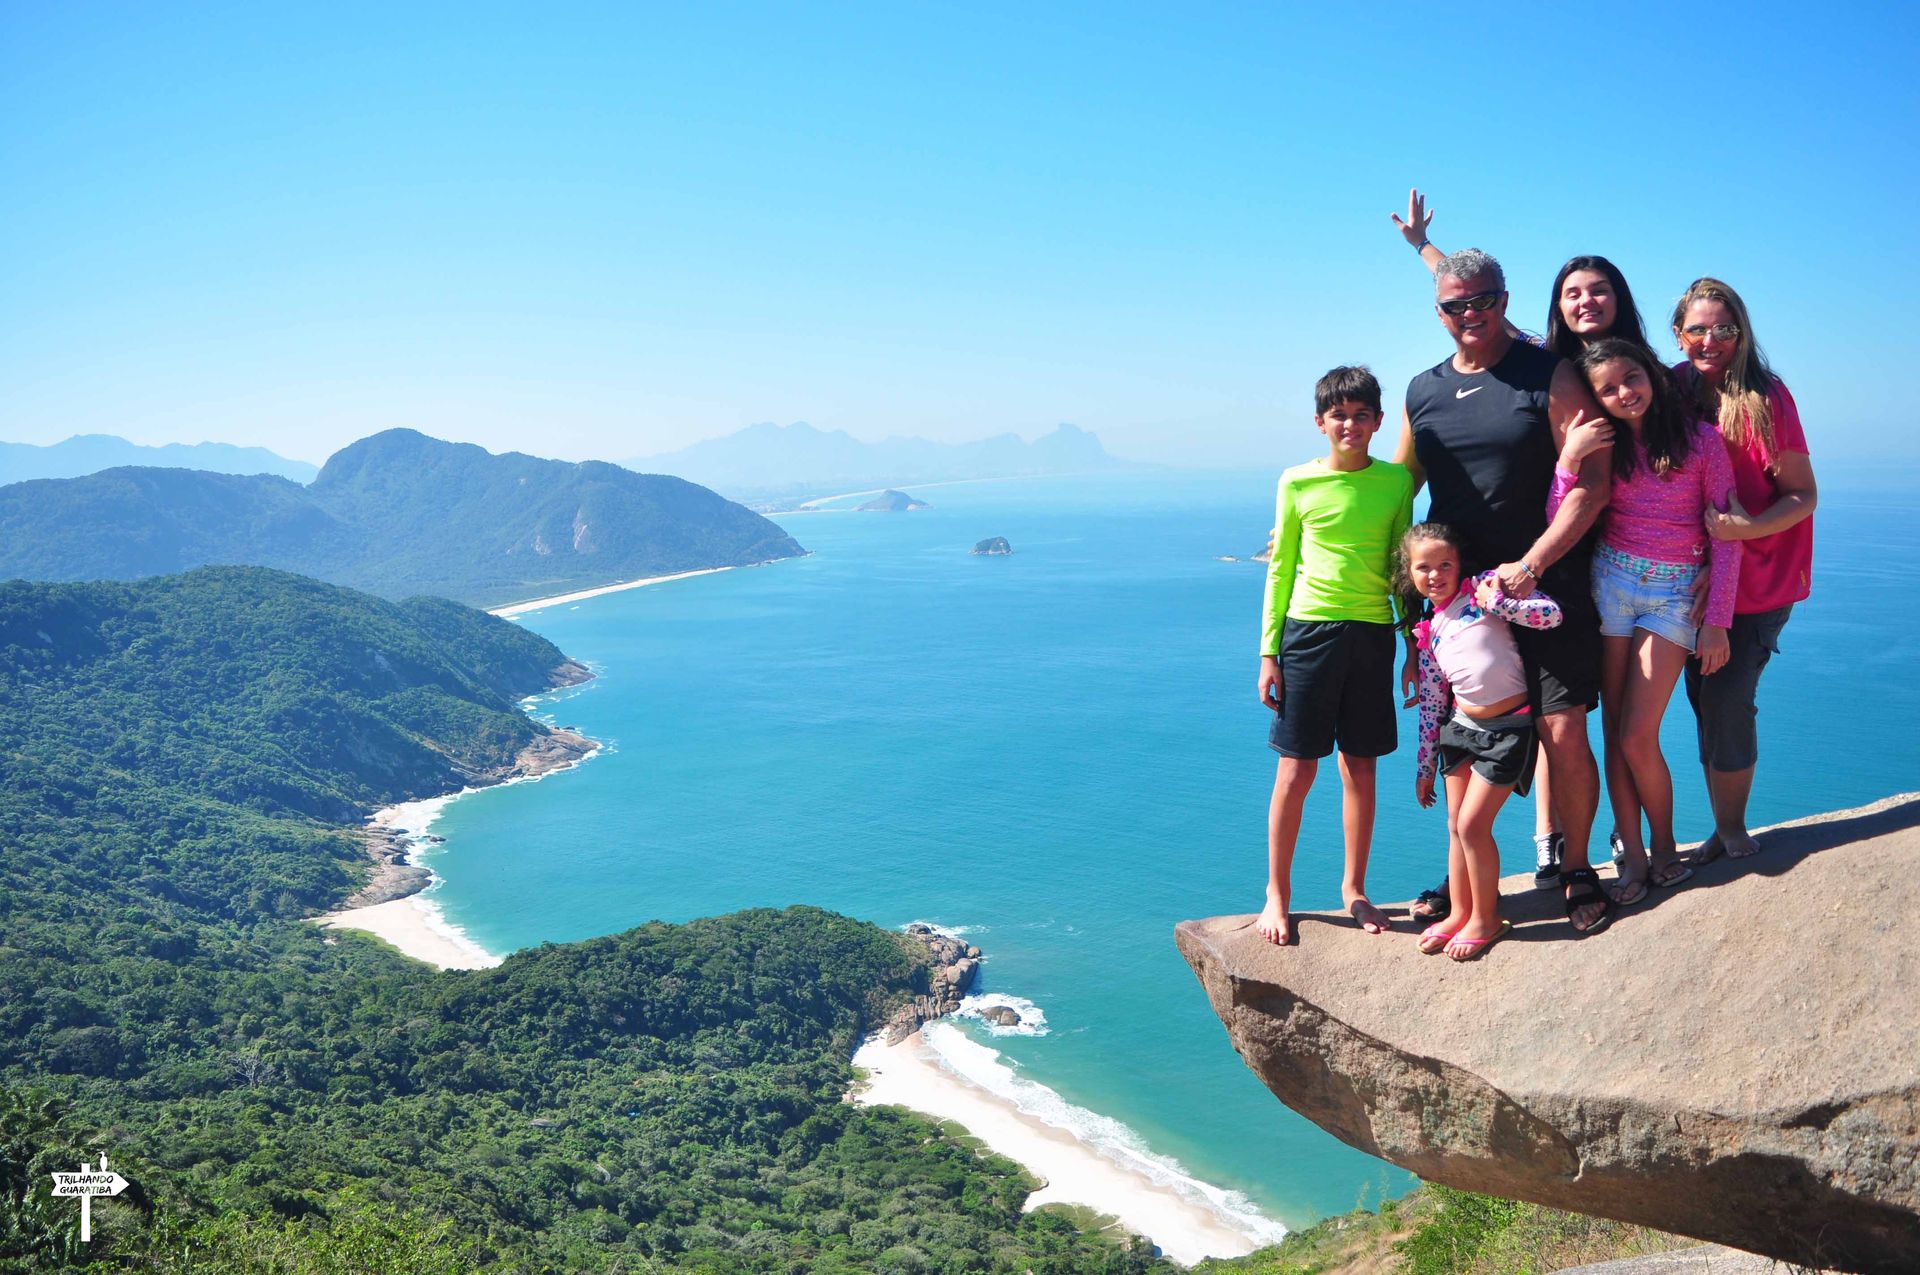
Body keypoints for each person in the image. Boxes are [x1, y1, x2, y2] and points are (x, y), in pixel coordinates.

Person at [1391, 188, 1659, 888]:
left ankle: (1575, 869)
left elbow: (1593, 487)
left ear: (1505, 301)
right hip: (1458, 600)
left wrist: (1532, 564)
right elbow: (1397, 493)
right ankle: (1463, 882)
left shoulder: (1551, 373)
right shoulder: (1423, 390)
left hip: (1549, 583)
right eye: (1456, 306)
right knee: (1460, 740)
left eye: (1484, 302)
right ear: (1440, 311)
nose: (1471, 315)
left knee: (1563, 730)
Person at [1549, 339, 1739, 902]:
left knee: (1637, 735)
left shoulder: (1702, 442)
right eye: (1608, 389)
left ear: (1651, 375)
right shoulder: (1606, 447)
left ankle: (1662, 847)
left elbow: (1726, 536)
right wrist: (1568, 458)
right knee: (1613, 733)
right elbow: (1561, 516)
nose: (1623, 393)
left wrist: (1718, 621)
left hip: (1674, 595)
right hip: (1611, 585)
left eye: (1631, 378)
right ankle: (1631, 856)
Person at [1255, 366, 1415, 945]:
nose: (1349, 424)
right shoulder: (1297, 482)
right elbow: (1281, 568)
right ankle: (1278, 893)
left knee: (1362, 768)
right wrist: (1269, 652)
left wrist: (1412, 647)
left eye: (1361, 414)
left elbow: (1404, 570)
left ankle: (1355, 889)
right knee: (1296, 769)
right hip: (1309, 634)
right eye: (1338, 415)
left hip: (1373, 634)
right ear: (1320, 422)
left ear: (1376, 420)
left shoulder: (1396, 483)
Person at [1669, 278, 1817, 863]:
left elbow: (1802, 495)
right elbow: (1564, 349)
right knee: (1704, 700)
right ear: (1678, 335)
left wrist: (1743, 531)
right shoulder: (1668, 390)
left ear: (1742, 333)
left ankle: (1730, 829)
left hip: (1758, 582)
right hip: (1685, 583)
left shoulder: (1767, 398)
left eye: (1724, 329)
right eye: (1698, 328)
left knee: (1727, 699)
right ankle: (1719, 825)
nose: (1711, 340)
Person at [1400, 522, 1564, 960]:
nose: (1435, 575)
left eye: (1444, 564)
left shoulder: (1483, 590)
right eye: (1424, 568)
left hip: (1508, 730)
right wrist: (1424, 767)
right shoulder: (1428, 628)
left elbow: (1550, 615)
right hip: (1460, 730)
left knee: (1473, 825)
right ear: (1410, 573)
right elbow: (1434, 703)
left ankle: (1486, 920)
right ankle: (1460, 912)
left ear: (1459, 564)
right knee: (1456, 827)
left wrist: (1498, 602)